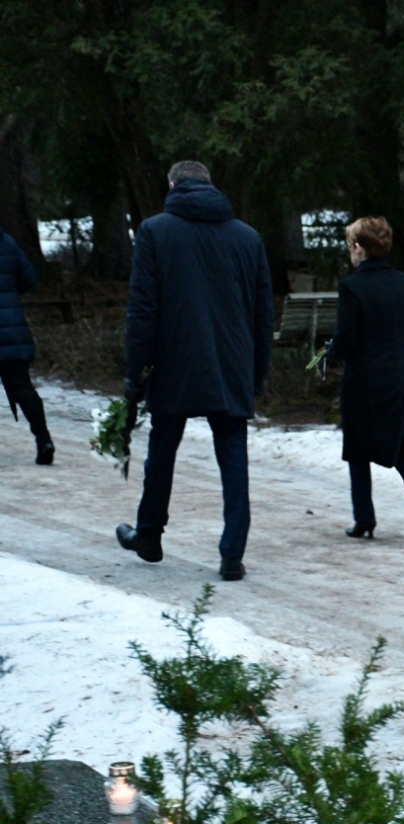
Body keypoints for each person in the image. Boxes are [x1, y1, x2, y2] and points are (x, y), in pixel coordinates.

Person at [115, 160, 273, 581]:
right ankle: (232, 552)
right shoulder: (248, 237)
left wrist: (137, 372)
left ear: (172, 185)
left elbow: (143, 310)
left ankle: (149, 535)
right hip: (231, 362)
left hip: (175, 361)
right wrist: (257, 373)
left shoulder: (154, 232)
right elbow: (262, 316)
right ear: (210, 185)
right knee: (233, 457)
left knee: (162, 450)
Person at [331, 216, 404, 546]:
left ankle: (364, 517)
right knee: (403, 446)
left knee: (358, 447)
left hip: (364, 380)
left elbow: (346, 338)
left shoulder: (351, 287)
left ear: (359, 248)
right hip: (403, 377)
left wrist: (330, 353)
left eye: (351, 245)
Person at [0, 222, 51, 464]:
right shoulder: (6, 242)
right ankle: (44, 439)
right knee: (22, 388)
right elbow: (30, 278)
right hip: (11, 328)